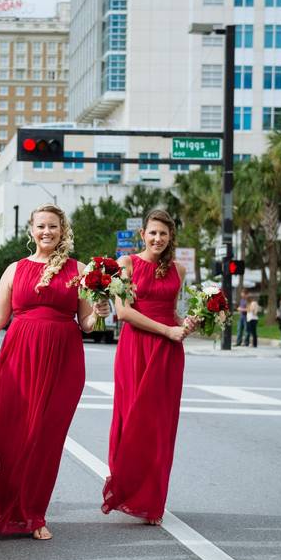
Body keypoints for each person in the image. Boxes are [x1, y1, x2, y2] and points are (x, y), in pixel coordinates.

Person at [0, 204, 109, 541]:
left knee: (45, 440)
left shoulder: (81, 270)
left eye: (53, 227)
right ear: (31, 230)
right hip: (17, 359)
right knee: (6, 433)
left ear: (63, 230)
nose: (47, 232)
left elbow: (86, 324)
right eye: (41, 226)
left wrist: (100, 312)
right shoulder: (15, 270)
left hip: (63, 362)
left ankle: (33, 514)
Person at [102, 209, 194, 525]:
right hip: (135, 349)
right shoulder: (124, 265)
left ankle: (152, 501)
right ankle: (126, 487)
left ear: (171, 238)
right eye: (152, 233)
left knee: (159, 427)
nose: (157, 239)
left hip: (168, 353)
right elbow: (124, 313)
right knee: (131, 420)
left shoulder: (179, 271)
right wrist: (168, 330)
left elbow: (173, 314)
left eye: (163, 234)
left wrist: (186, 324)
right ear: (142, 234)